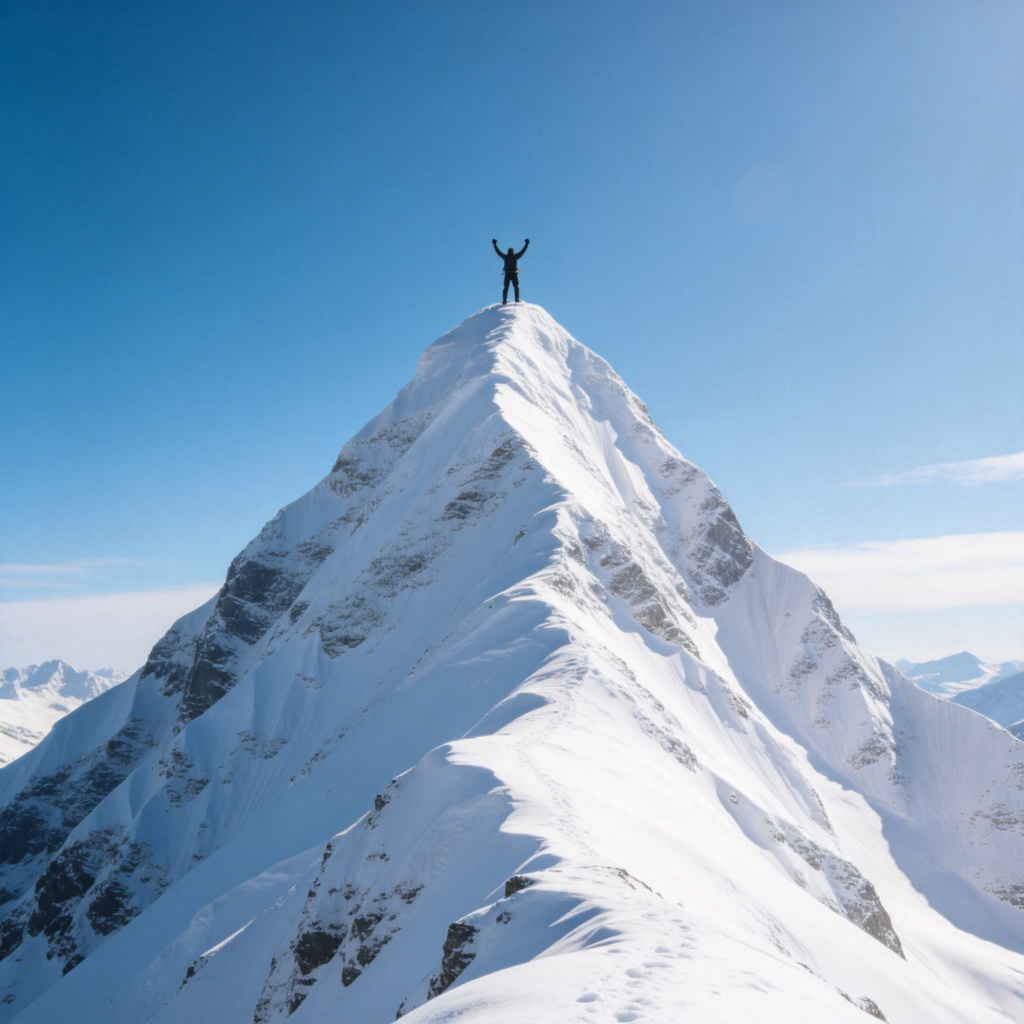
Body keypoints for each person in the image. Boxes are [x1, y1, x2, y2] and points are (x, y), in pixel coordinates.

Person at [492, 238, 529, 303]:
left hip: (508, 273)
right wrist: (526, 244)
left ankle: (505, 300)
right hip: (513, 273)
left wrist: (495, 245)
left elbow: (498, 252)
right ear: (513, 251)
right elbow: (523, 251)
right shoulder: (515, 256)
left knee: (506, 288)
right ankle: (516, 299)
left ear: (508, 251)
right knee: (515, 287)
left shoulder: (506, 256)